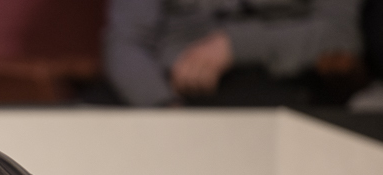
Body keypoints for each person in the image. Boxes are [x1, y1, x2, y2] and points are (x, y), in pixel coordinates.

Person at [103, 0, 364, 107]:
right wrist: (162, 107)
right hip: (171, 93)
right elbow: (126, 41)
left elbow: (341, 36)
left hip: (285, 88)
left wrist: (237, 45)